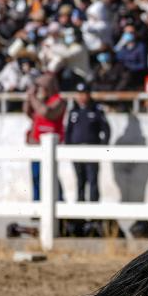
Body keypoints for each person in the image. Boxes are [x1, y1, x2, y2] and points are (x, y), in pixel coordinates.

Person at [65, 82, 110, 202]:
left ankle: (94, 215)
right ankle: (80, 216)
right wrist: (68, 148)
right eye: (79, 94)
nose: (81, 97)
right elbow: (68, 132)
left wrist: (102, 147)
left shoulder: (96, 110)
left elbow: (106, 130)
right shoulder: (73, 111)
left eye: (83, 94)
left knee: (92, 180)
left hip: (92, 151)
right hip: (76, 151)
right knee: (80, 181)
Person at [25, 73, 65, 202]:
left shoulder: (59, 101)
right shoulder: (39, 100)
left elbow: (46, 113)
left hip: (51, 146)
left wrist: (33, 97)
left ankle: (59, 202)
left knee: (51, 176)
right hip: (37, 144)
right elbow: (27, 111)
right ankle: (37, 204)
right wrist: (30, 95)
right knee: (36, 176)